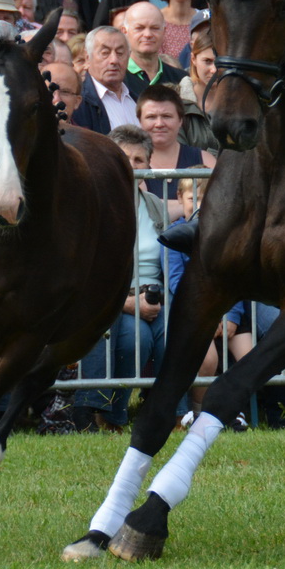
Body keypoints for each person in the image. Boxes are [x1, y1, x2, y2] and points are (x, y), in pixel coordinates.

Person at [72, 125, 169, 430]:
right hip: (113, 299)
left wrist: (159, 299)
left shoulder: (156, 208)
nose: (130, 166)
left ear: (149, 165)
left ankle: (171, 414)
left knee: (176, 331)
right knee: (135, 337)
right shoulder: (92, 203)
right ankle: (110, 415)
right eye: (122, 158)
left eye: (138, 160)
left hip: (154, 297)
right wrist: (128, 303)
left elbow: (170, 262)